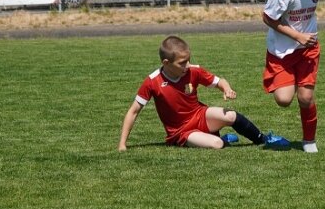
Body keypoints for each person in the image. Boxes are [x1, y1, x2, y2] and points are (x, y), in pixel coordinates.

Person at [118, 35, 288, 151]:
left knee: (230, 115)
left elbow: (219, 81)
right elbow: (133, 111)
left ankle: (263, 139)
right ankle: (217, 138)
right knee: (216, 144)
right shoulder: (152, 81)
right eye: (182, 63)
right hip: (181, 132)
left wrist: (227, 89)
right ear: (166, 62)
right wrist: (122, 144)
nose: (188, 65)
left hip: (200, 115)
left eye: (188, 60)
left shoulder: (194, 71)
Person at [261, 0, 323, 153]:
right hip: (281, 53)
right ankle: (291, 81)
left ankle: (309, 140)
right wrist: (297, 35)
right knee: (284, 100)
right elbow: (268, 18)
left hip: (308, 49)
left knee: (305, 98)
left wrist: (304, 37)